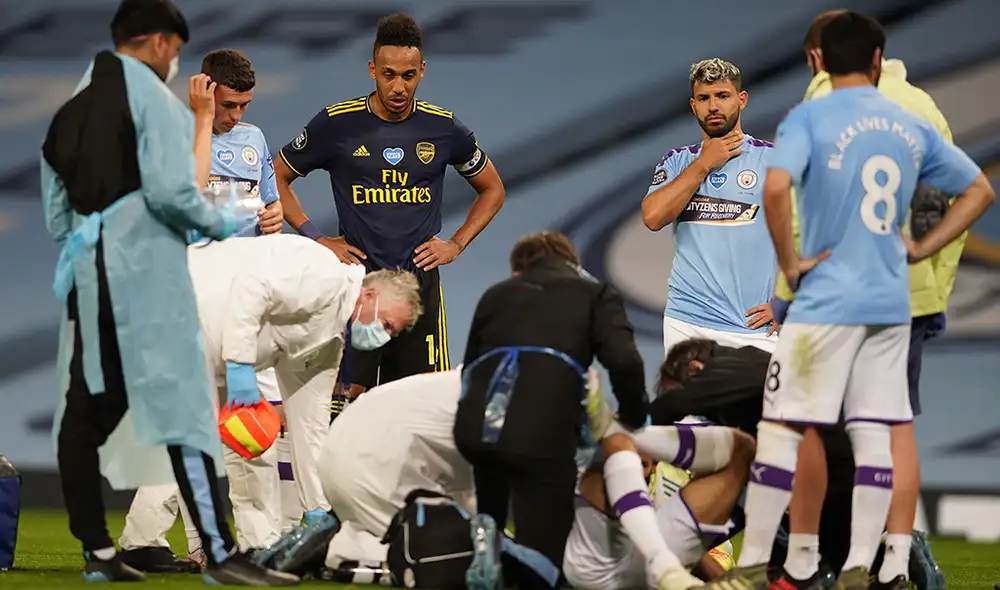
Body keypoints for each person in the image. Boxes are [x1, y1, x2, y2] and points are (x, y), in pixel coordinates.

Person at [720, 11, 995, 590]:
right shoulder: (908, 118)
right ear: (877, 60)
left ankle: (772, 567)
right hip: (891, 301)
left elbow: (774, 189)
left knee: (787, 429)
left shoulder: (810, 117)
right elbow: (979, 190)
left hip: (824, 300)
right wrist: (921, 249)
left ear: (818, 60)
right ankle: (870, 568)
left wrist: (790, 262)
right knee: (879, 432)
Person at [39, 0, 298, 585]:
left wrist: (87, 249)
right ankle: (221, 555)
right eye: (176, 51)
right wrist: (224, 222)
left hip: (93, 279)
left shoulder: (71, 110)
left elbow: (55, 202)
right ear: (158, 43)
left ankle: (100, 553)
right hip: (155, 285)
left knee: (82, 420)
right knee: (189, 419)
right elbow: (180, 198)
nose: (176, 63)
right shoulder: (158, 107)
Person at [117, 234, 423, 567]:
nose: (385, 335)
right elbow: (251, 289)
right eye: (388, 325)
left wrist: (317, 508)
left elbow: (311, 425)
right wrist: (239, 367)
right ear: (369, 294)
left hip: (216, 343)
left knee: (252, 445)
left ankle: (257, 547)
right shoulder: (323, 274)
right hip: (178, 310)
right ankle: (142, 545)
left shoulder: (330, 340)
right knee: (188, 438)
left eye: (392, 333)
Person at [274, 12, 506, 400]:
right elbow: (276, 176)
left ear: (422, 71)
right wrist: (315, 236)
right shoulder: (336, 124)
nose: (398, 86)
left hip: (420, 291)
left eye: (408, 75)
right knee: (343, 406)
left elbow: (493, 189)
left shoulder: (444, 128)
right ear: (371, 69)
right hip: (357, 287)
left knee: (417, 408)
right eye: (388, 74)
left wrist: (456, 243)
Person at [118, 47, 288, 573]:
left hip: (243, 292)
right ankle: (145, 538)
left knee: (253, 421)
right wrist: (198, 120)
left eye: (244, 106)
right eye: (229, 105)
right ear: (205, 89)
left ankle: (260, 540)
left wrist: (273, 216)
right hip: (187, 291)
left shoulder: (254, 140)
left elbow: (263, 207)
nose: (236, 117)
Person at [454, 231, 649, 590]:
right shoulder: (595, 294)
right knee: (544, 550)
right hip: (541, 429)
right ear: (574, 266)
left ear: (519, 270)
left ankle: (489, 539)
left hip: (475, 427)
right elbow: (623, 360)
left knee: (492, 477)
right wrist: (634, 415)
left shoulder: (495, 295)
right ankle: (527, 563)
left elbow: (470, 369)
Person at [640, 58, 777, 357]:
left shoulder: (773, 160)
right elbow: (652, 217)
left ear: (742, 100)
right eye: (704, 98)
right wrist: (703, 164)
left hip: (754, 327)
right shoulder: (677, 161)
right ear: (693, 106)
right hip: (686, 323)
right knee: (687, 406)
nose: (713, 106)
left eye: (722, 96)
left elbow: (815, 231)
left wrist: (788, 301)